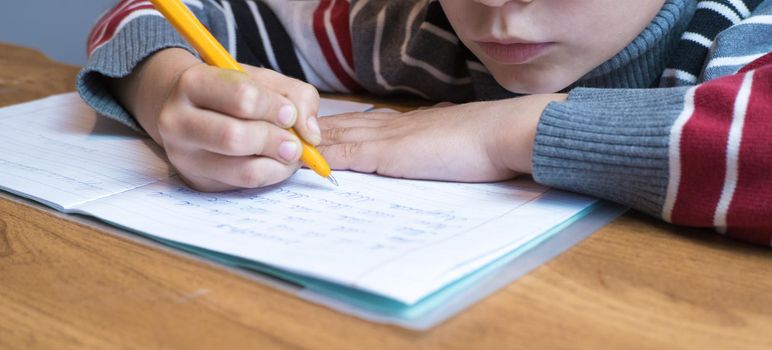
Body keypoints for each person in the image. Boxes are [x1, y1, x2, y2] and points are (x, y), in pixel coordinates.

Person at [77, 0, 772, 245]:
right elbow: (163, 12)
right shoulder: (422, 30)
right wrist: (168, 92)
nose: (493, 4)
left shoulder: (742, 29)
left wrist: (509, 129)